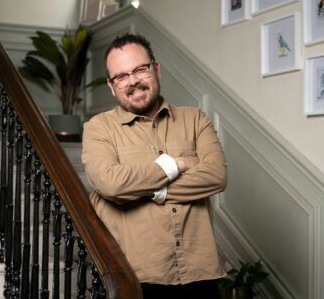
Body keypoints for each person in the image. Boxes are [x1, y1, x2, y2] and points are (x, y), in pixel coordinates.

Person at [82, 33, 227, 299]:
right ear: (111, 86)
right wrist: (178, 164)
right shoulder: (98, 129)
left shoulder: (195, 119)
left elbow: (216, 175)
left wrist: (146, 189)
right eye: (121, 76)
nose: (133, 81)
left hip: (200, 275)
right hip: (138, 280)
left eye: (140, 69)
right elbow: (110, 183)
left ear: (155, 69)